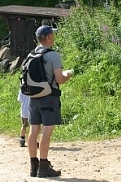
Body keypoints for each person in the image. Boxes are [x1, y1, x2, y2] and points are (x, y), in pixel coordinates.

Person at [27, 25, 73, 178]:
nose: (53, 36)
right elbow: (59, 79)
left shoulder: (31, 54)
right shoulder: (53, 56)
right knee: (46, 133)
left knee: (33, 131)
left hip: (33, 98)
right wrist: (68, 75)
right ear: (48, 37)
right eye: (52, 34)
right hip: (49, 98)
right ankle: (44, 166)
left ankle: (33, 166)